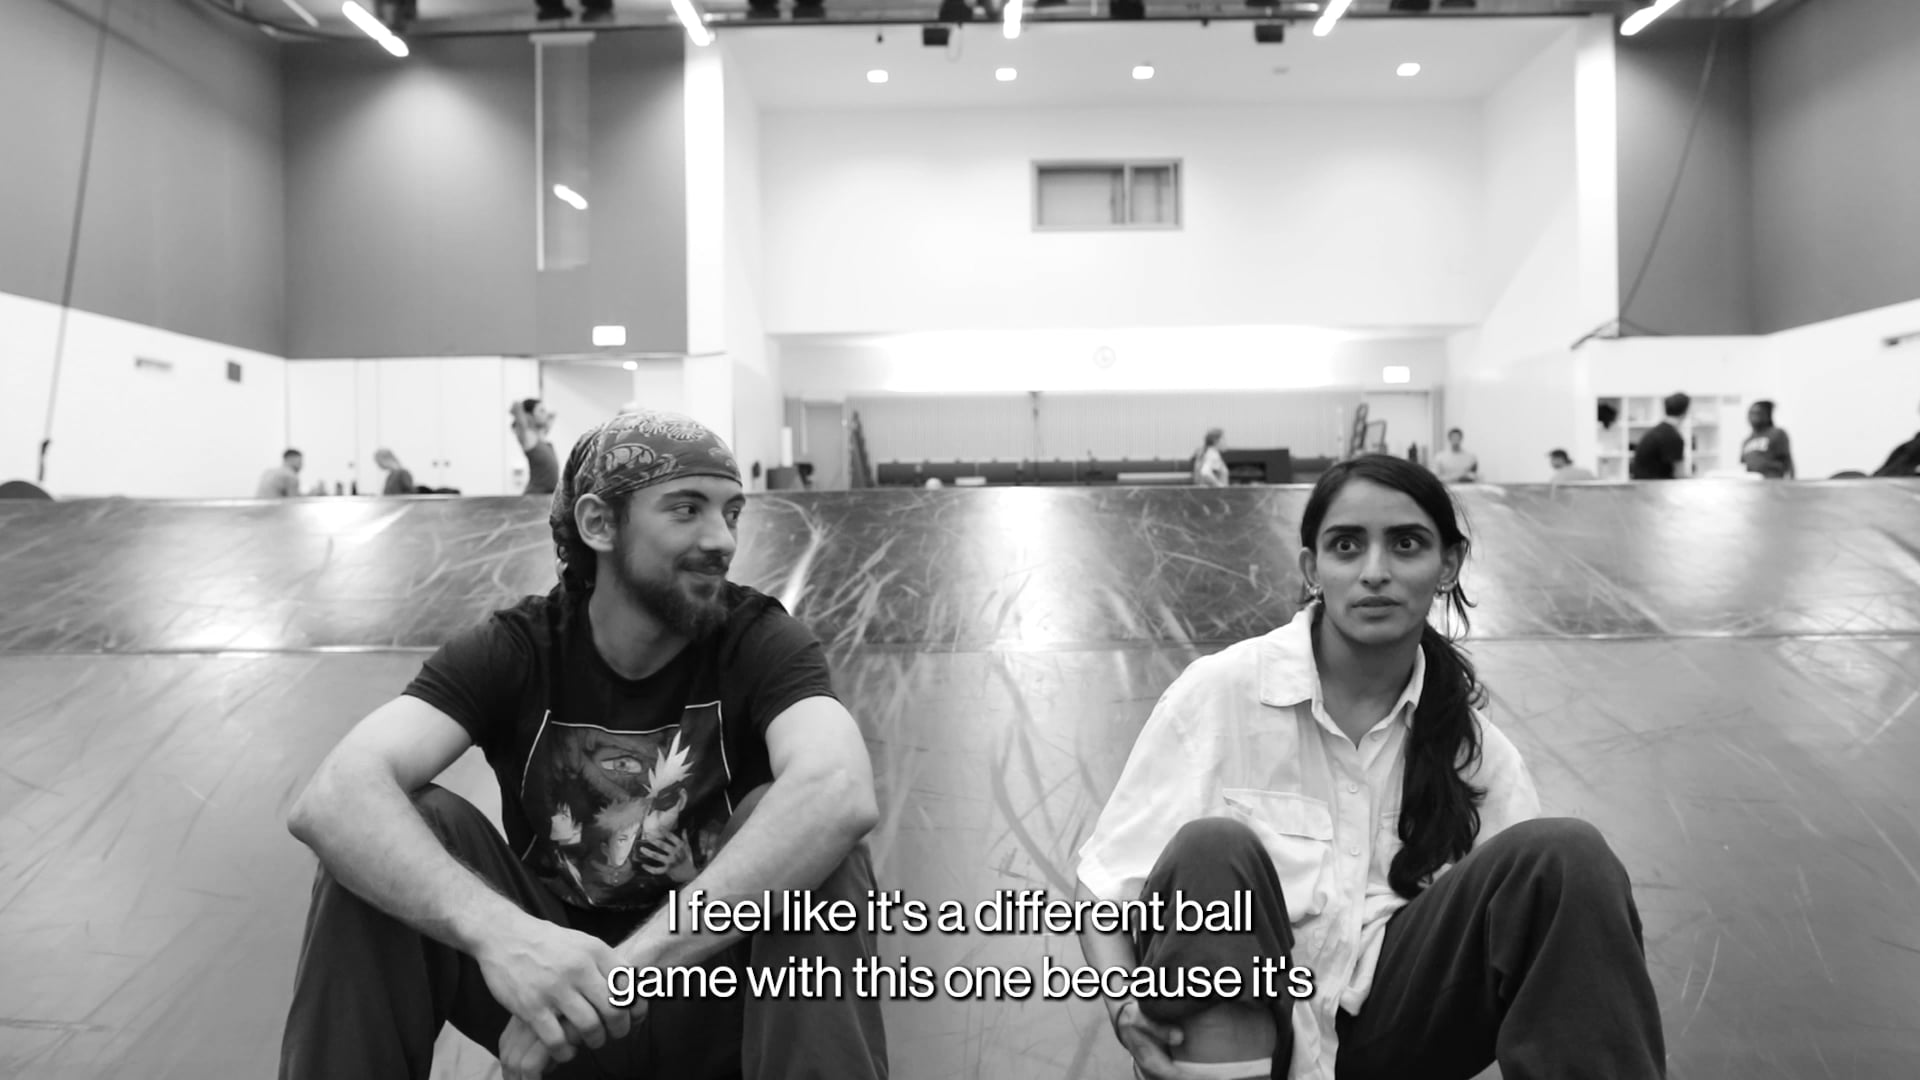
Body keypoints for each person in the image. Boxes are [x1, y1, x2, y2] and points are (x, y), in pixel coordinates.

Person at [279, 409, 888, 1080]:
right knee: (398, 825)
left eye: (732, 512)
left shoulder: (759, 641)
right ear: (598, 524)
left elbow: (838, 789)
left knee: (810, 841)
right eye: (686, 510)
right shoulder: (518, 648)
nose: (721, 539)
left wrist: (620, 978)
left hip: (704, 989)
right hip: (542, 1003)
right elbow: (333, 796)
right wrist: (505, 939)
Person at [1074, 454, 1664, 1080]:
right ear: (1313, 568)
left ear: (1448, 566)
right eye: (1347, 546)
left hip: (1391, 1040)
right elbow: (1107, 885)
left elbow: (1529, 938)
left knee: (1565, 854)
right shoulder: (1222, 693)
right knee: (1212, 846)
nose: (1375, 572)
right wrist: (1120, 1003)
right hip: (1251, 1030)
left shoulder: (1474, 753)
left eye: (1406, 544)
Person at [1629, 393, 1688, 480]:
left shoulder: (1657, 431)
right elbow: (1680, 475)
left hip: (1644, 485)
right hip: (1655, 488)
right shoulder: (1672, 436)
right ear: (1685, 412)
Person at [512, 398, 561, 495]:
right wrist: (518, 410)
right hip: (535, 495)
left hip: (547, 495)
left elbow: (547, 423)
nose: (545, 414)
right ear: (529, 416)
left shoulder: (540, 436)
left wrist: (550, 418)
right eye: (541, 411)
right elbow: (519, 416)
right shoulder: (527, 437)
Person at [1740, 401, 1794, 479]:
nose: (1753, 417)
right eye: (1751, 413)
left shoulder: (1777, 433)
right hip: (1752, 484)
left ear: (1767, 415)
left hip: (1773, 483)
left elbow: (1787, 461)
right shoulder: (1746, 441)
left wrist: (1791, 484)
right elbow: (1743, 466)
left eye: (1757, 413)